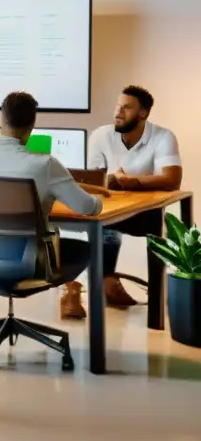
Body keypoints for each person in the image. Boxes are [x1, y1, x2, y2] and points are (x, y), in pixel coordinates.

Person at [0, 92, 110, 318]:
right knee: (84, 249)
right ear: (31, 125)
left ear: (2, 119)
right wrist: (100, 197)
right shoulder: (44, 165)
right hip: (28, 265)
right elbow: (88, 208)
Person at [62, 85, 183, 318]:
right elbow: (96, 182)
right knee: (100, 221)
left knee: (145, 225)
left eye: (126, 108)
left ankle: (112, 285)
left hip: (146, 211)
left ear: (143, 114)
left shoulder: (163, 136)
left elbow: (172, 179)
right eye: (118, 106)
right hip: (110, 208)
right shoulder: (101, 135)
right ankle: (102, 282)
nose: (118, 112)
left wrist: (131, 182)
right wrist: (111, 181)